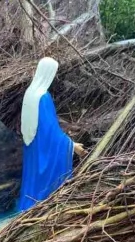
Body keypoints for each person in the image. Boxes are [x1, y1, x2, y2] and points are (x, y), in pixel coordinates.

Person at [18, 56, 85, 212]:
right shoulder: (43, 97)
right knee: (45, 179)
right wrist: (71, 145)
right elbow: (50, 131)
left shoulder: (30, 93)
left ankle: (30, 203)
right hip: (41, 146)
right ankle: (44, 205)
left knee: (32, 177)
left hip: (31, 144)